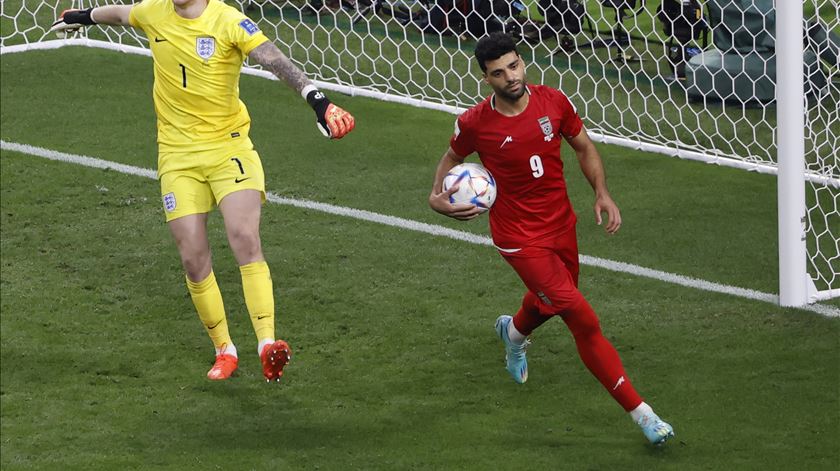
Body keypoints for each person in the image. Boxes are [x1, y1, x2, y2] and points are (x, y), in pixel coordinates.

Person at [51, 0, 355, 382]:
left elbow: (272, 58)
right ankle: (224, 350)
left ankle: (267, 344)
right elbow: (119, 14)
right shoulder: (154, 12)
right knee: (193, 257)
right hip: (177, 157)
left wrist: (318, 101)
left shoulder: (228, 21)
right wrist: (79, 17)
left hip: (229, 149)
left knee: (244, 236)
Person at [428, 32, 674, 444]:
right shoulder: (475, 123)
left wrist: (601, 191)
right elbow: (452, 158)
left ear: (522, 62)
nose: (510, 77)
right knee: (582, 318)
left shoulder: (554, 101)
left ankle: (514, 334)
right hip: (519, 238)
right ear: (485, 79)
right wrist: (437, 199)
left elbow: (583, 146)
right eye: (498, 73)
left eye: (514, 65)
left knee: (551, 299)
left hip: (562, 225)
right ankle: (644, 415)